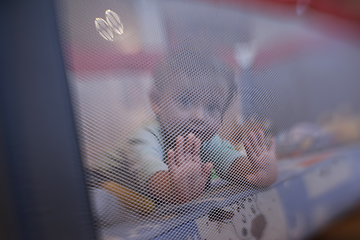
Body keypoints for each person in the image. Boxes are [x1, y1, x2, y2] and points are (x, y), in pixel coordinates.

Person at [105, 48, 277, 205]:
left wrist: (258, 169)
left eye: (212, 107)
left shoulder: (206, 141)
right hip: (98, 179)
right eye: (185, 101)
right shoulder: (146, 137)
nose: (199, 117)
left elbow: (232, 163)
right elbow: (150, 171)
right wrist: (173, 188)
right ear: (157, 101)